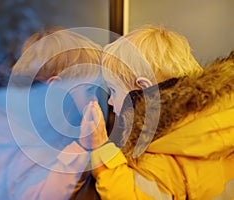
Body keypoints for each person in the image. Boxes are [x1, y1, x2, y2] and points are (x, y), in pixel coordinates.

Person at [0, 28, 106, 199]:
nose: (94, 101)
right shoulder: (20, 138)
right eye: (89, 90)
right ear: (55, 89)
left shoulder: (28, 121)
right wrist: (81, 148)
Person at [82, 25, 234, 199]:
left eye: (114, 91)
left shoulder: (168, 145)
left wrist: (101, 149)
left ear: (144, 90)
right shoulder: (209, 118)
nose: (110, 101)